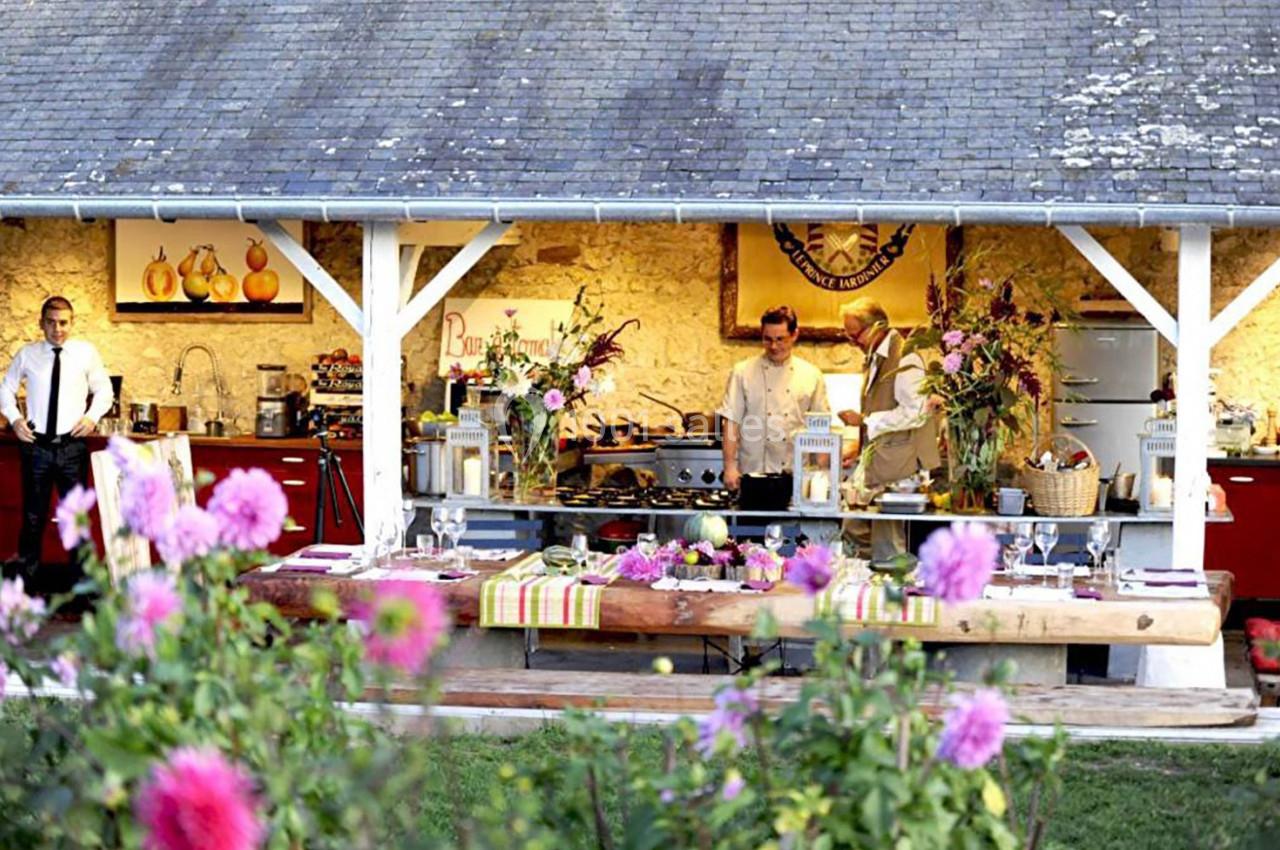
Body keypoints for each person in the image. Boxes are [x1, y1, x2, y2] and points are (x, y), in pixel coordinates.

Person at [1, 296, 112, 577]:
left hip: (71, 448)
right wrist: (15, 420)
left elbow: (105, 391)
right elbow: (5, 389)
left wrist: (91, 417)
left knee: (76, 518)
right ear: (41, 323)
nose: (57, 328)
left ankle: (81, 585)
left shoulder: (86, 353)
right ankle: (26, 584)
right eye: (51, 322)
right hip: (36, 447)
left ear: (72, 323)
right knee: (33, 517)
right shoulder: (28, 354)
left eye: (63, 322)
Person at [838, 297, 940, 561]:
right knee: (854, 527)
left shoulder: (906, 356)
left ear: (876, 327)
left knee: (887, 542)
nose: (853, 342)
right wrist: (859, 446)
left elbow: (917, 412)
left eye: (854, 336)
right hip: (879, 462)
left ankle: (891, 592)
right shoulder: (877, 356)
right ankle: (865, 586)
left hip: (899, 466)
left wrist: (865, 421)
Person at [718, 305, 829, 490]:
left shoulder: (811, 375)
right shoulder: (742, 372)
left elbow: (820, 427)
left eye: (780, 339)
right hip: (752, 471)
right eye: (767, 339)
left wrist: (822, 472)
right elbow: (731, 422)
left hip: (795, 473)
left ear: (794, 335)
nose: (774, 346)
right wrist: (729, 466)